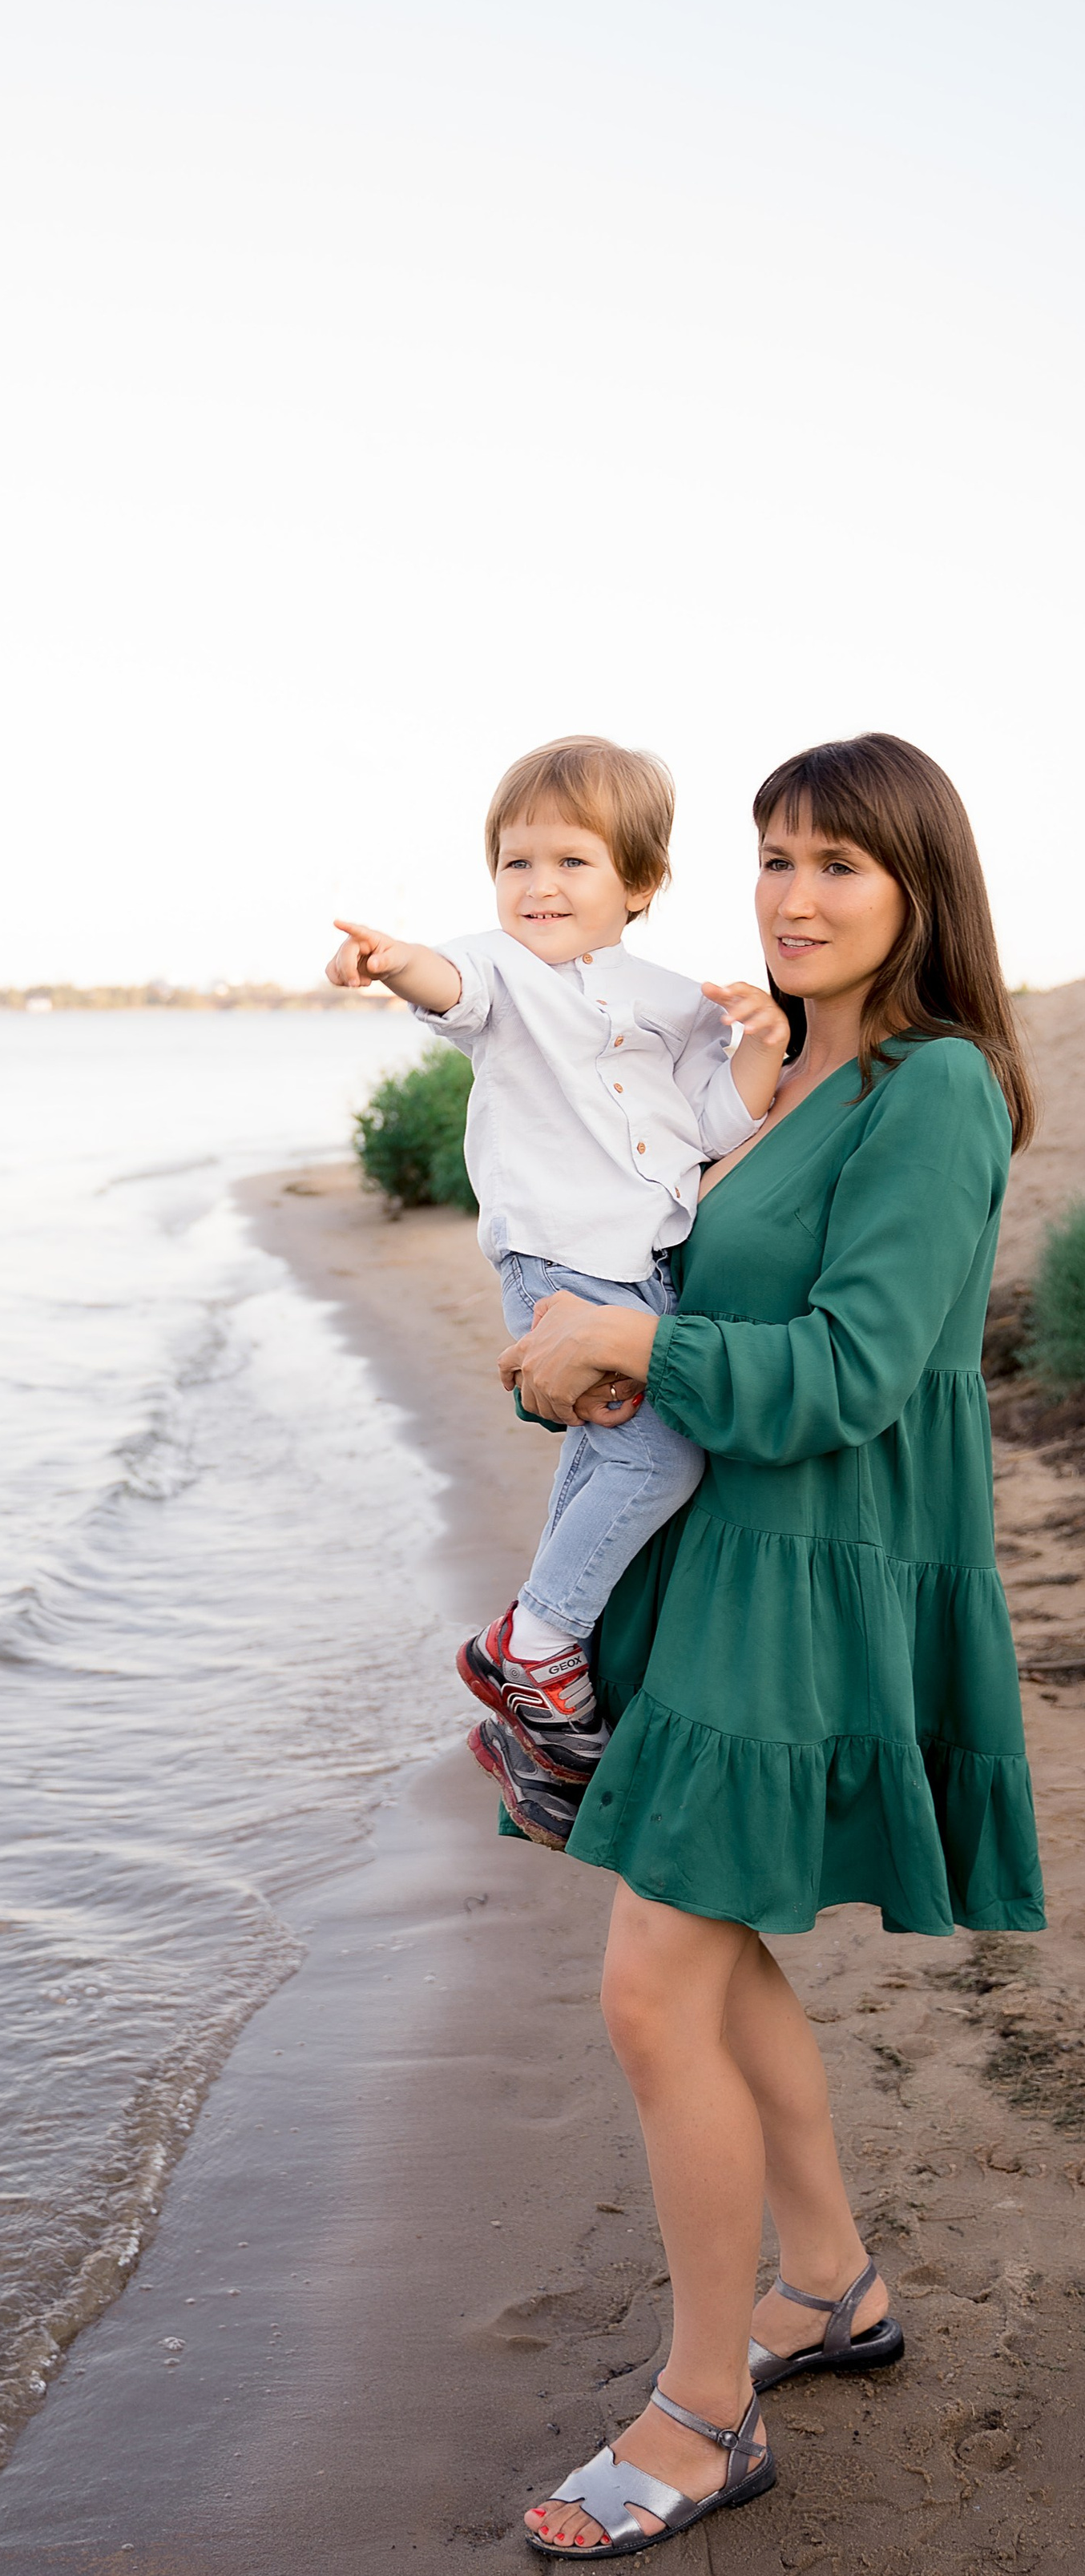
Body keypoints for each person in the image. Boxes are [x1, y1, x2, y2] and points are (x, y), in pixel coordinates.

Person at [502, 732, 1041, 2560]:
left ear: (916, 891)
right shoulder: (788, 1072)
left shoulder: (936, 1087)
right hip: (721, 1558)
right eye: (772, 860)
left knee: (651, 1987)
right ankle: (822, 2284)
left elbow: (854, 1370)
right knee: (714, 1967)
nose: (792, 899)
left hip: (815, 1575)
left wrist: (632, 1351)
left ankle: (705, 2407)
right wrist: (585, 1357)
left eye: (837, 867)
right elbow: (680, 1284)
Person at [326, 735, 789, 1841]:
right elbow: (451, 987)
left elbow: (714, 1124)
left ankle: (524, 1669)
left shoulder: (679, 1002)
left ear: (638, 884)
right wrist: (395, 963)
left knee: (608, 1448)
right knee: (659, 1451)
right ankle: (539, 1640)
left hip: (644, 1264)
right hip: (560, 1264)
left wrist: (762, 1046)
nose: (537, 885)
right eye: (516, 861)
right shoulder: (500, 972)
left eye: (571, 862)